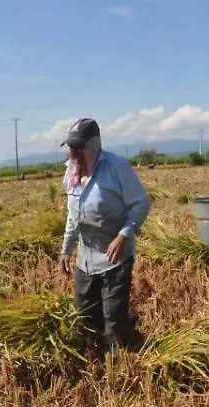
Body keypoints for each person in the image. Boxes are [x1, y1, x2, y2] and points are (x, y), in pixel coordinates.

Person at [56, 118, 151, 351]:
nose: (74, 152)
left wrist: (124, 235)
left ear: (95, 144)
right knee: (85, 315)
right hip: (86, 258)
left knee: (113, 322)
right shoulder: (72, 173)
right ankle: (123, 326)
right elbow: (73, 215)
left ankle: (120, 362)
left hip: (114, 256)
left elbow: (140, 204)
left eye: (79, 146)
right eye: (70, 146)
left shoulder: (115, 167)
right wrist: (66, 249)